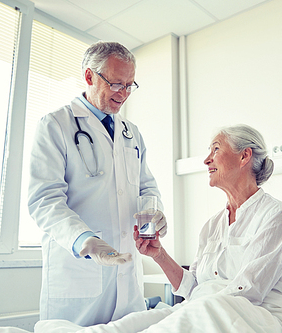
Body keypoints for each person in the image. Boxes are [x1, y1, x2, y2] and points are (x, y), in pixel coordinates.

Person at [33, 124, 282, 333]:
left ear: (244, 156)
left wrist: (190, 309)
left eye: (216, 150)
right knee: (135, 322)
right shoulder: (213, 226)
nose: (206, 159)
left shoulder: (276, 216)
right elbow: (193, 286)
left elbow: (249, 292)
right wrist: (158, 255)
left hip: (266, 317)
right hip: (211, 306)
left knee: (189, 312)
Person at [28, 41, 167, 326]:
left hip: (127, 277)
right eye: (116, 83)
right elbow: (44, 200)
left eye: (130, 85)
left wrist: (153, 212)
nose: (124, 94)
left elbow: (146, 187)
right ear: (90, 77)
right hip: (79, 273)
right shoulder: (56, 125)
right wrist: (84, 240)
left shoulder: (131, 133)